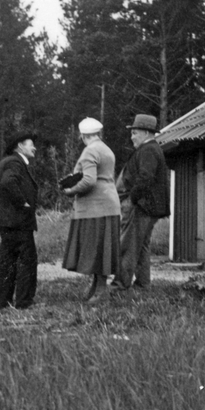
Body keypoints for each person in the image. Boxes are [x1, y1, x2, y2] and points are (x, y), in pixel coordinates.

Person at [61, 117, 121, 303]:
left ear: (82, 135)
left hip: (95, 207)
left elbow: (88, 180)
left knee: (96, 247)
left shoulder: (90, 151)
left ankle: (101, 290)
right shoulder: (106, 149)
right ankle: (97, 287)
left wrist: (70, 191)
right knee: (103, 247)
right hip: (109, 203)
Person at [112, 114, 170, 292]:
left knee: (128, 245)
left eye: (135, 133)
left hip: (142, 206)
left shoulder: (148, 150)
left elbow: (145, 178)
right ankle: (143, 284)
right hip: (149, 207)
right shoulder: (152, 149)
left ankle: (120, 285)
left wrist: (133, 199)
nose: (132, 137)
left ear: (146, 132)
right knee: (142, 246)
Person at [0, 130, 39, 309]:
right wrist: (23, 203)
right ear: (20, 146)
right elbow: (8, 182)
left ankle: (2, 302)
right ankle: (24, 302)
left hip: (8, 222)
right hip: (19, 222)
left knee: (7, 262)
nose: (34, 148)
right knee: (27, 261)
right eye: (31, 144)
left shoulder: (8, 162)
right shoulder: (15, 162)